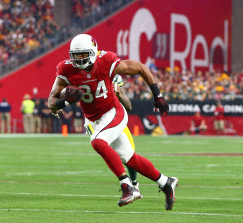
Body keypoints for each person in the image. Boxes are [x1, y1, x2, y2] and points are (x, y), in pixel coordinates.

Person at [48, 34, 178, 210]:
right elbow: (51, 103)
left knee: (98, 142)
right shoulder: (66, 69)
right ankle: (166, 182)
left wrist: (158, 95)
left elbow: (140, 67)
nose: (79, 59)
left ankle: (127, 186)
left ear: (93, 51)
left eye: (83, 54)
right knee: (130, 159)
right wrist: (65, 101)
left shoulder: (106, 61)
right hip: (93, 119)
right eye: (76, 56)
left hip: (112, 111)